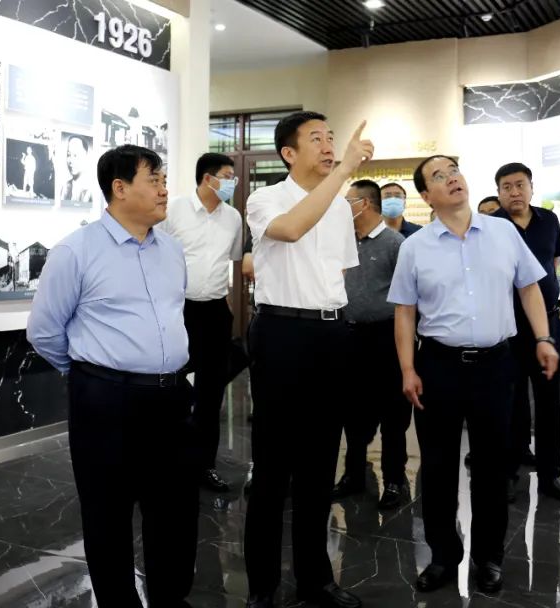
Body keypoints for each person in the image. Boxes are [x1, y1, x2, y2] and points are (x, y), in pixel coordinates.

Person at [27, 145, 199, 608]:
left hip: (170, 396)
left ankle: (170, 598)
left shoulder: (172, 250)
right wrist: (92, 374)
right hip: (106, 400)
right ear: (119, 188)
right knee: (107, 512)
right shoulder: (76, 251)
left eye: (164, 180)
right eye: (154, 180)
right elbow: (44, 331)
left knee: (175, 508)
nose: (164, 190)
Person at [388, 155, 559, 594]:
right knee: (438, 467)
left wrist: (543, 338)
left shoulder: (503, 232)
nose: (452, 179)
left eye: (454, 171)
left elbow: (529, 287)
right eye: (439, 176)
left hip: (496, 365)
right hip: (438, 367)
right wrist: (407, 368)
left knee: (493, 468)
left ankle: (489, 557)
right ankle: (443, 555)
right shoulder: (415, 247)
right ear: (426, 196)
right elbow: (405, 312)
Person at [243, 111, 372, 608]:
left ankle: (316, 580)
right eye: (316, 138)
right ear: (288, 153)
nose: (328, 145)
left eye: (331, 137)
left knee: (320, 465)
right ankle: (262, 585)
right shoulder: (265, 199)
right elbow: (292, 229)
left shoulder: (339, 208)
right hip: (282, 332)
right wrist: (345, 172)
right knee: (273, 467)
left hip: (332, 333)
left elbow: (337, 272)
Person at [491, 162, 560, 504]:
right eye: (507, 187)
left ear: (531, 187)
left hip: (547, 325)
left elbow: (553, 263)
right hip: (508, 327)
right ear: (498, 192)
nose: (515, 192)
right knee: (510, 402)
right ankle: (509, 472)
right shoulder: (491, 226)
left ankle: (550, 474)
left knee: (549, 401)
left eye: (520, 185)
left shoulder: (548, 220)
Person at [159, 152, 243, 493]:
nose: (232, 182)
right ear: (208, 178)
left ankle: (205, 465)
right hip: (178, 310)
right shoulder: (175, 210)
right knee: (169, 387)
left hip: (215, 312)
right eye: (227, 176)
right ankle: (166, 462)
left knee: (212, 393)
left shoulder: (233, 218)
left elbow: (233, 259)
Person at [331, 179, 410, 510]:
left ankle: (393, 479)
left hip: (387, 337)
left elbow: (408, 297)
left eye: (347, 200)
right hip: (350, 336)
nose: (342, 207)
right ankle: (353, 475)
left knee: (393, 414)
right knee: (352, 411)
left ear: (363, 204)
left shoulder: (396, 243)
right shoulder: (344, 241)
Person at [61, 135, 95, 204]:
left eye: (75, 155)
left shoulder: (92, 190)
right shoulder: (65, 187)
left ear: (86, 156)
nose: (71, 160)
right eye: (68, 155)